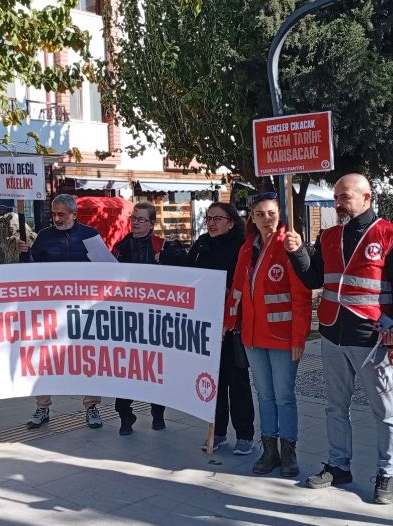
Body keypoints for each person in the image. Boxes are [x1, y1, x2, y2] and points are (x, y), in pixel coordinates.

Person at [284, 173, 393, 504]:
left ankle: (387, 473)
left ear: (367, 198)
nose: (338, 202)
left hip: (373, 339)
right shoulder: (329, 235)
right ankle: (339, 465)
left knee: (385, 410)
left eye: (345, 196)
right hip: (332, 334)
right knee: (335, 406)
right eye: (336, 197)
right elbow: (314, 278)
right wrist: (297, 252)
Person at [225, 192, 312, 475]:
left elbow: (301, 296)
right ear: (251, 217)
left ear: (280, 214)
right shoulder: (247, 247)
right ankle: (269, 449)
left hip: (282, 337)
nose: (266, 219)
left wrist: (299, 336)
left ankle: (288, 452)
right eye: (259, 214)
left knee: (284, 396)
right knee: (264, 395)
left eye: (271, 213)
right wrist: (228, 321)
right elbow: (237, 288)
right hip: (252, 336)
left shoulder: (288, 244)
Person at [18, 193, 107, 429]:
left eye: (61, 214)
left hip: (85, 309)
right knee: (44, 356)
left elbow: (107, 269)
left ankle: (92, 406)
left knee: (88, 356)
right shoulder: (45, 236)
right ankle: (42, 407)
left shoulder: (90, 236)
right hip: (51, 309)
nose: (56, 219)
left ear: (74, 215)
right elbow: (31, 268)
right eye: (54, 214)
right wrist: (25, 252)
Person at [185, 202, 256, 456]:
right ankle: (218, 432)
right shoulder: (201, 244)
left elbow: (245, 282)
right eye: (209, 218)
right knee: (214, 381)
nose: (212, 223)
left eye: (218, 218)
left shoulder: (242, 246)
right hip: (207, 322)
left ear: (231, 222)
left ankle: (245, 435)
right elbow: (188, 274)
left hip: (233, 323)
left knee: (237, 381)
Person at [111, 202, 185, 435]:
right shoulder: (120, 247)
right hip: (126, 317)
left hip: (155, 318)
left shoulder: (163, 246)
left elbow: (182, 275)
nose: (135, 222)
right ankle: (125, 416)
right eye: (133, 218)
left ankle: (158, 413)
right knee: (125, 369)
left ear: (152, 223)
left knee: (154, 368)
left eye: (141, 219)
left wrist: (167, 258)